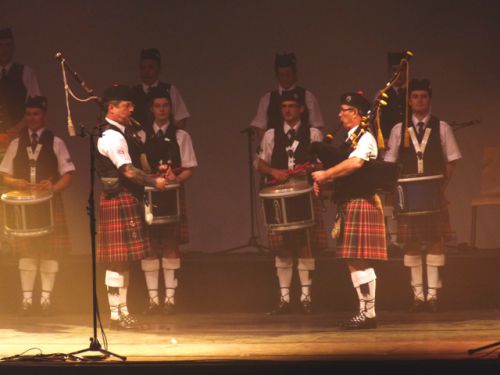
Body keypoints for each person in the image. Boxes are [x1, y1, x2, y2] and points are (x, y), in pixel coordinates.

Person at [384, 79, 461, 313]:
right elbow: (390, 163)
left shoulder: (442, 127)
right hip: (408, 197)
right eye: (415, 97)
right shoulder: (399, 129)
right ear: (409, 101)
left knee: (436, 241)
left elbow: (450, 161)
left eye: (423, 97)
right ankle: (418, 295)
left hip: (433, 195)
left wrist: (441, 189)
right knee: (412, 243)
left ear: (429, 99)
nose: (419, 100)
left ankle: (433, 295)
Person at [312, 92, 387, 330]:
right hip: (351, 202)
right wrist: (326, 181)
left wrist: (326, 174)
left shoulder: (365, 137)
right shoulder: (351, 140)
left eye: (345, 109)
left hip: (361, 202)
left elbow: (355, 164)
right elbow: (345, 169)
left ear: (356, 113)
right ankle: (366, 312)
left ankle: (369, 314)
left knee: (358, 258)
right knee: (352, 259)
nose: (339, 114)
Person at [96, 84, 167, 329]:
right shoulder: (112, 136)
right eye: (126, 105)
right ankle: (116, 316)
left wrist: (153, 171)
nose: (131, 109)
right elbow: (126, 170)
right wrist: (152, 181)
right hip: (118, 198)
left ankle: (122, 312)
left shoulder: (126, 133)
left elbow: (136, 164)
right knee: (118, 261)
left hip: (124, 198)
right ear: (112, 108)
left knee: (123, 261)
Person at [0, 96, 74, 316]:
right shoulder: (16, 143)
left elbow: (68, 175)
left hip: (49, 204)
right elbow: (5, 175)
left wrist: (52, 188)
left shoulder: (56, 142)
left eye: (37, 114)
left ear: (45, 115)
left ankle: (45, 301)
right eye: (29, 114)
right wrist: (17, 183)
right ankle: (26, 301)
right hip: (25, 207)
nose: (32, 118)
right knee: (28, 252)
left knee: (48, 252)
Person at [256, 89, 326, 314]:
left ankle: (306, 298)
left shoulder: (313, 134)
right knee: (281, 247)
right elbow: (259, 163)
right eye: (284, 107)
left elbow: (322, 163)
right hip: (278, 194)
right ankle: (284, 299)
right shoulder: (271, 135)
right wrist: (273, 171)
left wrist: (309, 169)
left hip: (304, 193)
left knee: (305, 244)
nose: (287, 110)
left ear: (302, 110)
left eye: (292, 106)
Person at [139, 87, 197, 315]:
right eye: (157, 106)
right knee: (150, 246)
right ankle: (153, 300)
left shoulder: (182, 136)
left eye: (165, 106)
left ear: (171, 109)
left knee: (171, 244)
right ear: (151, 109)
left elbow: (190, 168)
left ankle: (170, 301)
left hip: (173, 195)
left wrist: (177, 178)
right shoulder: (141, 136)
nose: (162, 110)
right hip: (149, 195)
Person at [250, 52, 324, 141]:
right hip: (274, 150)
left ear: (294, 74)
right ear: (277, 76)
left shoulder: (307, 97)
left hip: (302, 149)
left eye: (288, 74)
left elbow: (316, 127)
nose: (285, 78)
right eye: (282, 75)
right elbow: (260, 127)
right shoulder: (267, 99)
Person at [131, 48, 190, 131]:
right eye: (143, 68)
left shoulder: (169, 90)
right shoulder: (132, 92)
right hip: (139, 141)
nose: (146, 72)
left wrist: (173, 137)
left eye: (151, 67)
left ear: (159, 69)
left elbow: (181, 118)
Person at [0, 27, 41, 137]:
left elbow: (35, 106)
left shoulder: (26, 72)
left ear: (13, 47)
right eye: (1, 45)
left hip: (19, 136)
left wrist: (18, 128)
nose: (4, 50)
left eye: (8, 45)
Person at [377, 52, 408, 141]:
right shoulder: (382, 94)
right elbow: (376, 121)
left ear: (406, 72)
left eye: (401, 70)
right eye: (394, 70)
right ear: (389, 72)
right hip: (388, 140)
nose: (398, 74)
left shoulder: (412, 94)